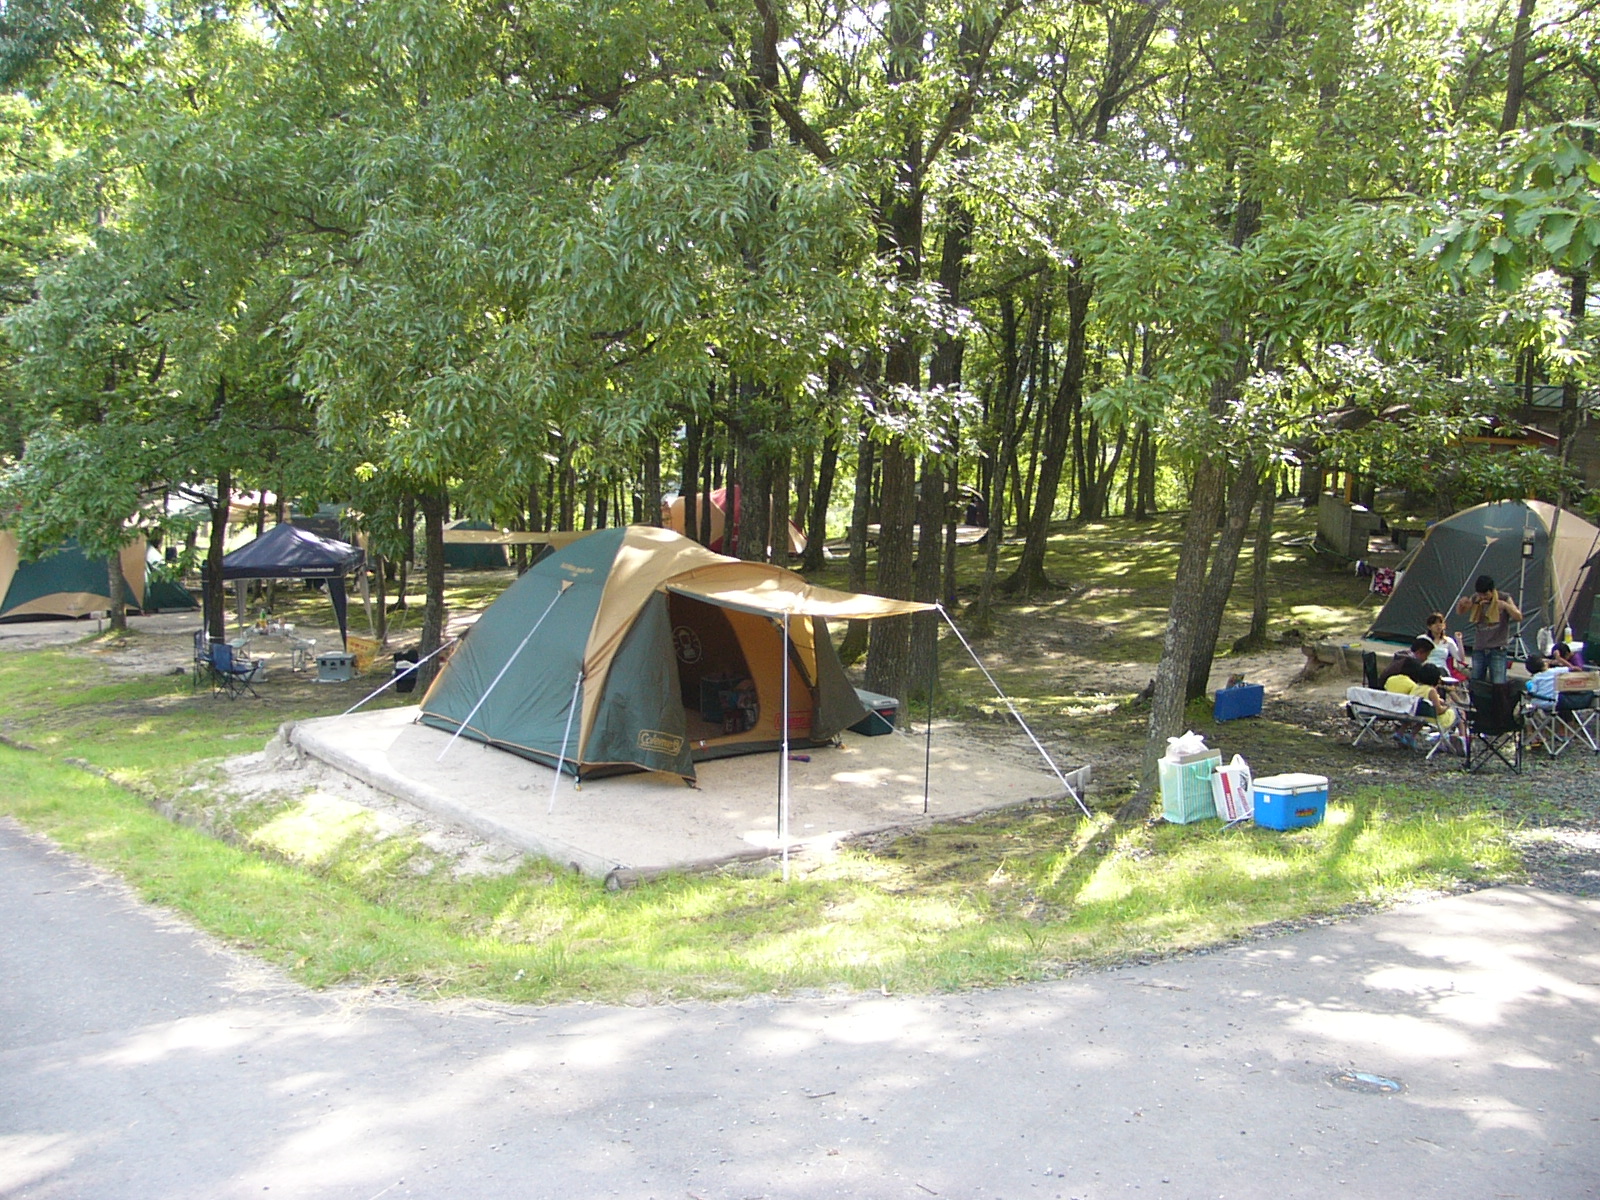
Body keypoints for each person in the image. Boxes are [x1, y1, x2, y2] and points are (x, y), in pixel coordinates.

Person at [1455, 574, 1523, 683]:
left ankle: (1496, 700)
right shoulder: (1476, 598)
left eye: (1486, 594)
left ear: (1492, 590)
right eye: (1480, 594)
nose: (1483, 597)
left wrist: (1505, 606)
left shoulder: (1504, 597)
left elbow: (1518, 617)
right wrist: (1462, 604)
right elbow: (1460, 612)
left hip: (1498, 648)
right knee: (1476, 679)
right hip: (1479, 647)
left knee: (1498, 681)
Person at [1383, 660, 1457, 748]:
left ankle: (1409, 735)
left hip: (1417, 715)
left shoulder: (1416, 688)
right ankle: (1460, 738)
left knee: (1423, 711)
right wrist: (1447, 706)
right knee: (1457, 714)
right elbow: (1439, 711)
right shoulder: (1431, 691)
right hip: (1433, 718)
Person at [1422, 611, 1466, 681]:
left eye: (1440, 623)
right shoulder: (1423, 639)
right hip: (1426, 668)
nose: (1438, 625)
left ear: (1444, 625)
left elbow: (1460, 659)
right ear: (1429, 627)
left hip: (1441, 670)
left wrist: (1459, 641)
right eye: (1434, 623)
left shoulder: (1448, 641)